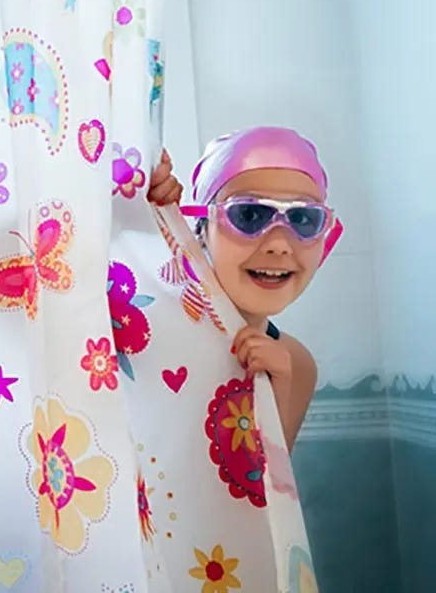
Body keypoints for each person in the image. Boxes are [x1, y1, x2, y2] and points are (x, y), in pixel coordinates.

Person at [145, 126, 340, 449]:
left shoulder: (296, 363)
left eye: (304, 219)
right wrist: (130, 208)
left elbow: (272, 496)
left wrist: (274, 393)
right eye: (249, 214)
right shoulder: (141, 331)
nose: (279, 244)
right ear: (201, 228)